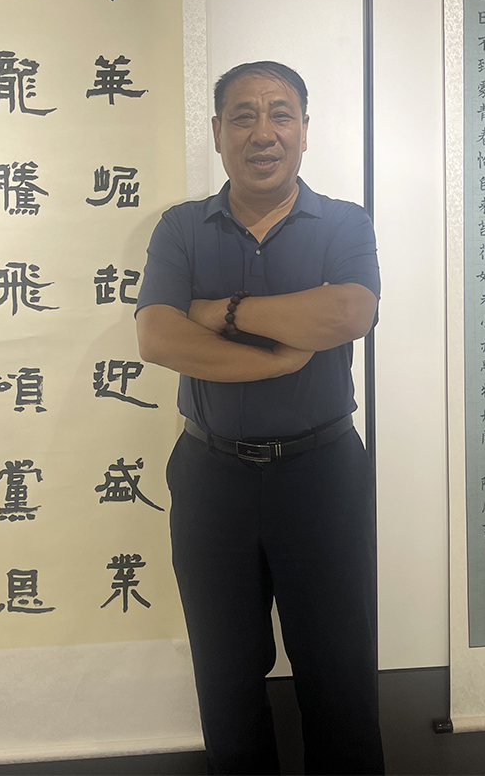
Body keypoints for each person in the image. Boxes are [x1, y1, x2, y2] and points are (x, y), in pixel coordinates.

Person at [135, 61, 384, 776]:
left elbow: (349, 312)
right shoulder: (182, 228)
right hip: (212, 476)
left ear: (305, 130)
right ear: (218, 133)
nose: (263, 131)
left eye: (280, 113)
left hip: (322, 472)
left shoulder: (343, 221)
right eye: (243, 115)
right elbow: (158, 337)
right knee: (226, 668)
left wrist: (223, 312)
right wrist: (278, 359)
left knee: (338, 663)